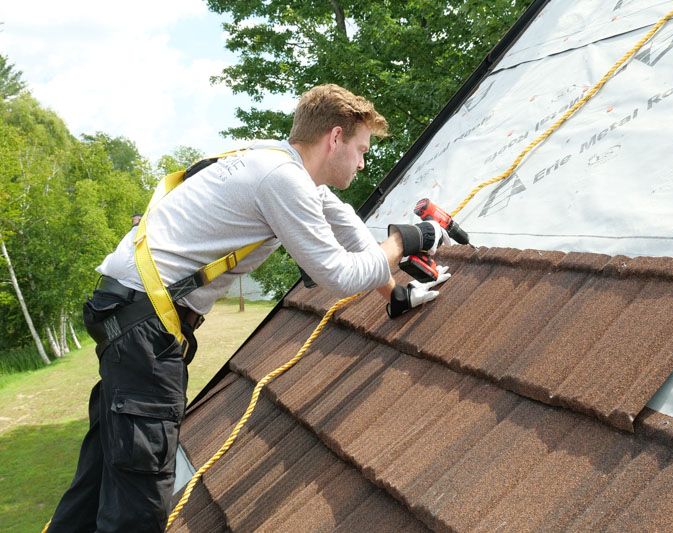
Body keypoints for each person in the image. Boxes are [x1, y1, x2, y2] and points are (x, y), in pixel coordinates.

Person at [48, 84, 451, 532]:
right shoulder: (282, 181)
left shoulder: (273, 162)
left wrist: (393, 292)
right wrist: (406, 240)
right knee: (138, 506)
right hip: (146, 330)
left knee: (95, 486)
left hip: (127, 315)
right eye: (359, 150)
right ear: (334, 138)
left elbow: (347, 226)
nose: (362, 162)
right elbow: (336, 276)